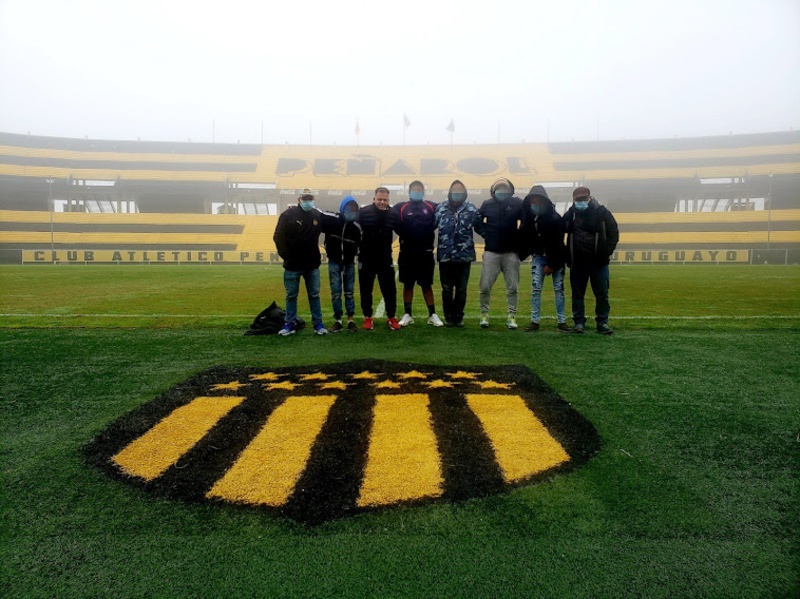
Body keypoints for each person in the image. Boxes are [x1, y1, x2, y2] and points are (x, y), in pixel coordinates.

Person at [273, 189, 336, 336]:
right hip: (292, 265)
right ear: (299, 200)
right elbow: (278, 237)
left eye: (310, 199)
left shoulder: (317, 215)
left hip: (312, 264)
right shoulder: (288, 215)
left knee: (314, 295)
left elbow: (331, 228)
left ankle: (318, 324)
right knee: (291, 296)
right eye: (305, 199)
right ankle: (289, 324)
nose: (308, 202)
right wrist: (286, 256)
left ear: (313, 200)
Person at [563, 186, 619, 335]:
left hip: (598, 262)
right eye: (578, 199)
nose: (581, 202)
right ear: (573, 200)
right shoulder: (571, 214)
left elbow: (614, 233)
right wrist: (567, 255)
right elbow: (560, 229)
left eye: (583, 199)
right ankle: (579, 322)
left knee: (602, 294)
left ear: (589, 198)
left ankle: (602, 322)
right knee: (577, 295)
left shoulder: (602, 212)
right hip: (577, 262)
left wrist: (605, 253)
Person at [517, 184, 569, 332]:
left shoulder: (556, 219)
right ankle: (534, 321)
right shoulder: (530, 220)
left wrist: (551, 264)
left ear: (545, 201)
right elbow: (525, 239)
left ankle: (562, 322)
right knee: (536, 289)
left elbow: (558, 244)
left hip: (556, 259)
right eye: (532, 202)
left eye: (538, 201)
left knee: (559, 289)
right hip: (538, 257)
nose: (535, 205)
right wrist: (519, 255)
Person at [435, 179, 485, 327]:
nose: (457, 194)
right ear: (450, 192)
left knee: (461, 289)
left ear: (464, 193)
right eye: (454, 191)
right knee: (446, 289)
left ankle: (458, 317)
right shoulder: (440, 208)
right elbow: (429, 226)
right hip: (445, 255)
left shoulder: (471, 209)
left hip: (464, 256)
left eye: (460, 192)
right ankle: (448, 317)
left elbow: (481, 228)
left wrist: (496, 237)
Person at [393, 180, 443, 327]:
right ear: (409, 192)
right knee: (408, 285)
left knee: (426, 285)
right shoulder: (401, 207)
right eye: (414, 189)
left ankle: (432, 314)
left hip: (425, 253)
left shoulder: (431, 206)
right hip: (407, 253)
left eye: (419, 189)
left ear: (423, 191)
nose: (417, 191)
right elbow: (395, 224)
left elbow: (438, 220)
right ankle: (407, 314)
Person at [477, 178, 523, 329]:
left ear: (510, 191)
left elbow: (526, 220)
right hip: (491, 252)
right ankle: (484, 314)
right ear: (493, 191)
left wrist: (518, 236)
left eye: (505, 189)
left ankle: (512, 316)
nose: (502, 191)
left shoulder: (517, 203)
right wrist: (486, 234)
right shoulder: (487, 204)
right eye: (499, 189)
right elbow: (477, 221)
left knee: (513, 288)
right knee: (485, 286)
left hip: (511, 253)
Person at [357, 187, 401, 331]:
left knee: (390, 290)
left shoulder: (393, 214)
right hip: (366, 258)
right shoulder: (363, 213)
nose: (382, 202)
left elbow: (401, 230)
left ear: (388, 200)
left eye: (385, 200)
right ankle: (367, 317)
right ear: (374, 199)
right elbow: (355, 231)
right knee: (366, 289)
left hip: (385, 258)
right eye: (379, 199)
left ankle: (391, 317)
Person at [324, 195, 361, 332]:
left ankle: (351, 319)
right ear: (342, 208)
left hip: (349, 263)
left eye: (354, 209)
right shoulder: (331, 221)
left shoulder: (356, 227)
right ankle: (338, 320)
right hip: (334, 262)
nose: (351, 211)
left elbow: (360, 244)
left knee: (349, 292)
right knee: (336, 292)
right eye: (348, 208)